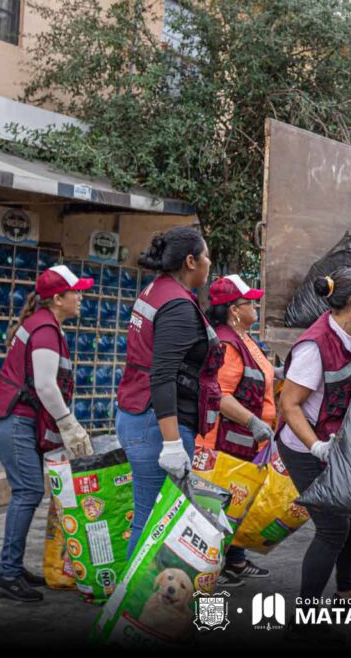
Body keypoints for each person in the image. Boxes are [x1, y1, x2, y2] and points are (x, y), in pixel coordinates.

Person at [277, 267, 351, 634]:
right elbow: (289, 406)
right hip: (305, 445)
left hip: (341, 442)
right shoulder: (315, 345)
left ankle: (346, 593)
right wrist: (316, 446)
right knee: (332, 528)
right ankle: (305, 620)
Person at [0, 265, 94, 603]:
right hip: (13, 419)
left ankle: (12, 566)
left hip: (15, 418)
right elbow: (45, 385)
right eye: (75, 292)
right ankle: (7, 573)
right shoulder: (44, 330)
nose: (80, 298)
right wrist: (68, 424)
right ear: (58, 298)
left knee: (28, 491)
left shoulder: (45, 325)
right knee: (28, 490)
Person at [115, 226, 223, 558]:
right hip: (156, 424)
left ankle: (134, 604)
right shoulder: (177, 305)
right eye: (205, 256)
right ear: (191, 261)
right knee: (153, 521)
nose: (208, 263)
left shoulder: (156, 291)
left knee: (149, 517)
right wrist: (173, 444)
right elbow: (162, 375)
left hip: (139, 413)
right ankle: (132, 606)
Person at [203, 274, 276, 587]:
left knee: (236, 502)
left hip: (243, 443)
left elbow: (260, 375)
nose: (256, 305)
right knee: (221, 507)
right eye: (250, 302)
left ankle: (234, 561)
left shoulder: (243, 337)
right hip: (225, 443)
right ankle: (212, 568)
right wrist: (253, 422)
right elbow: (219, 394)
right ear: (234, 309)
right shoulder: (227, 342)